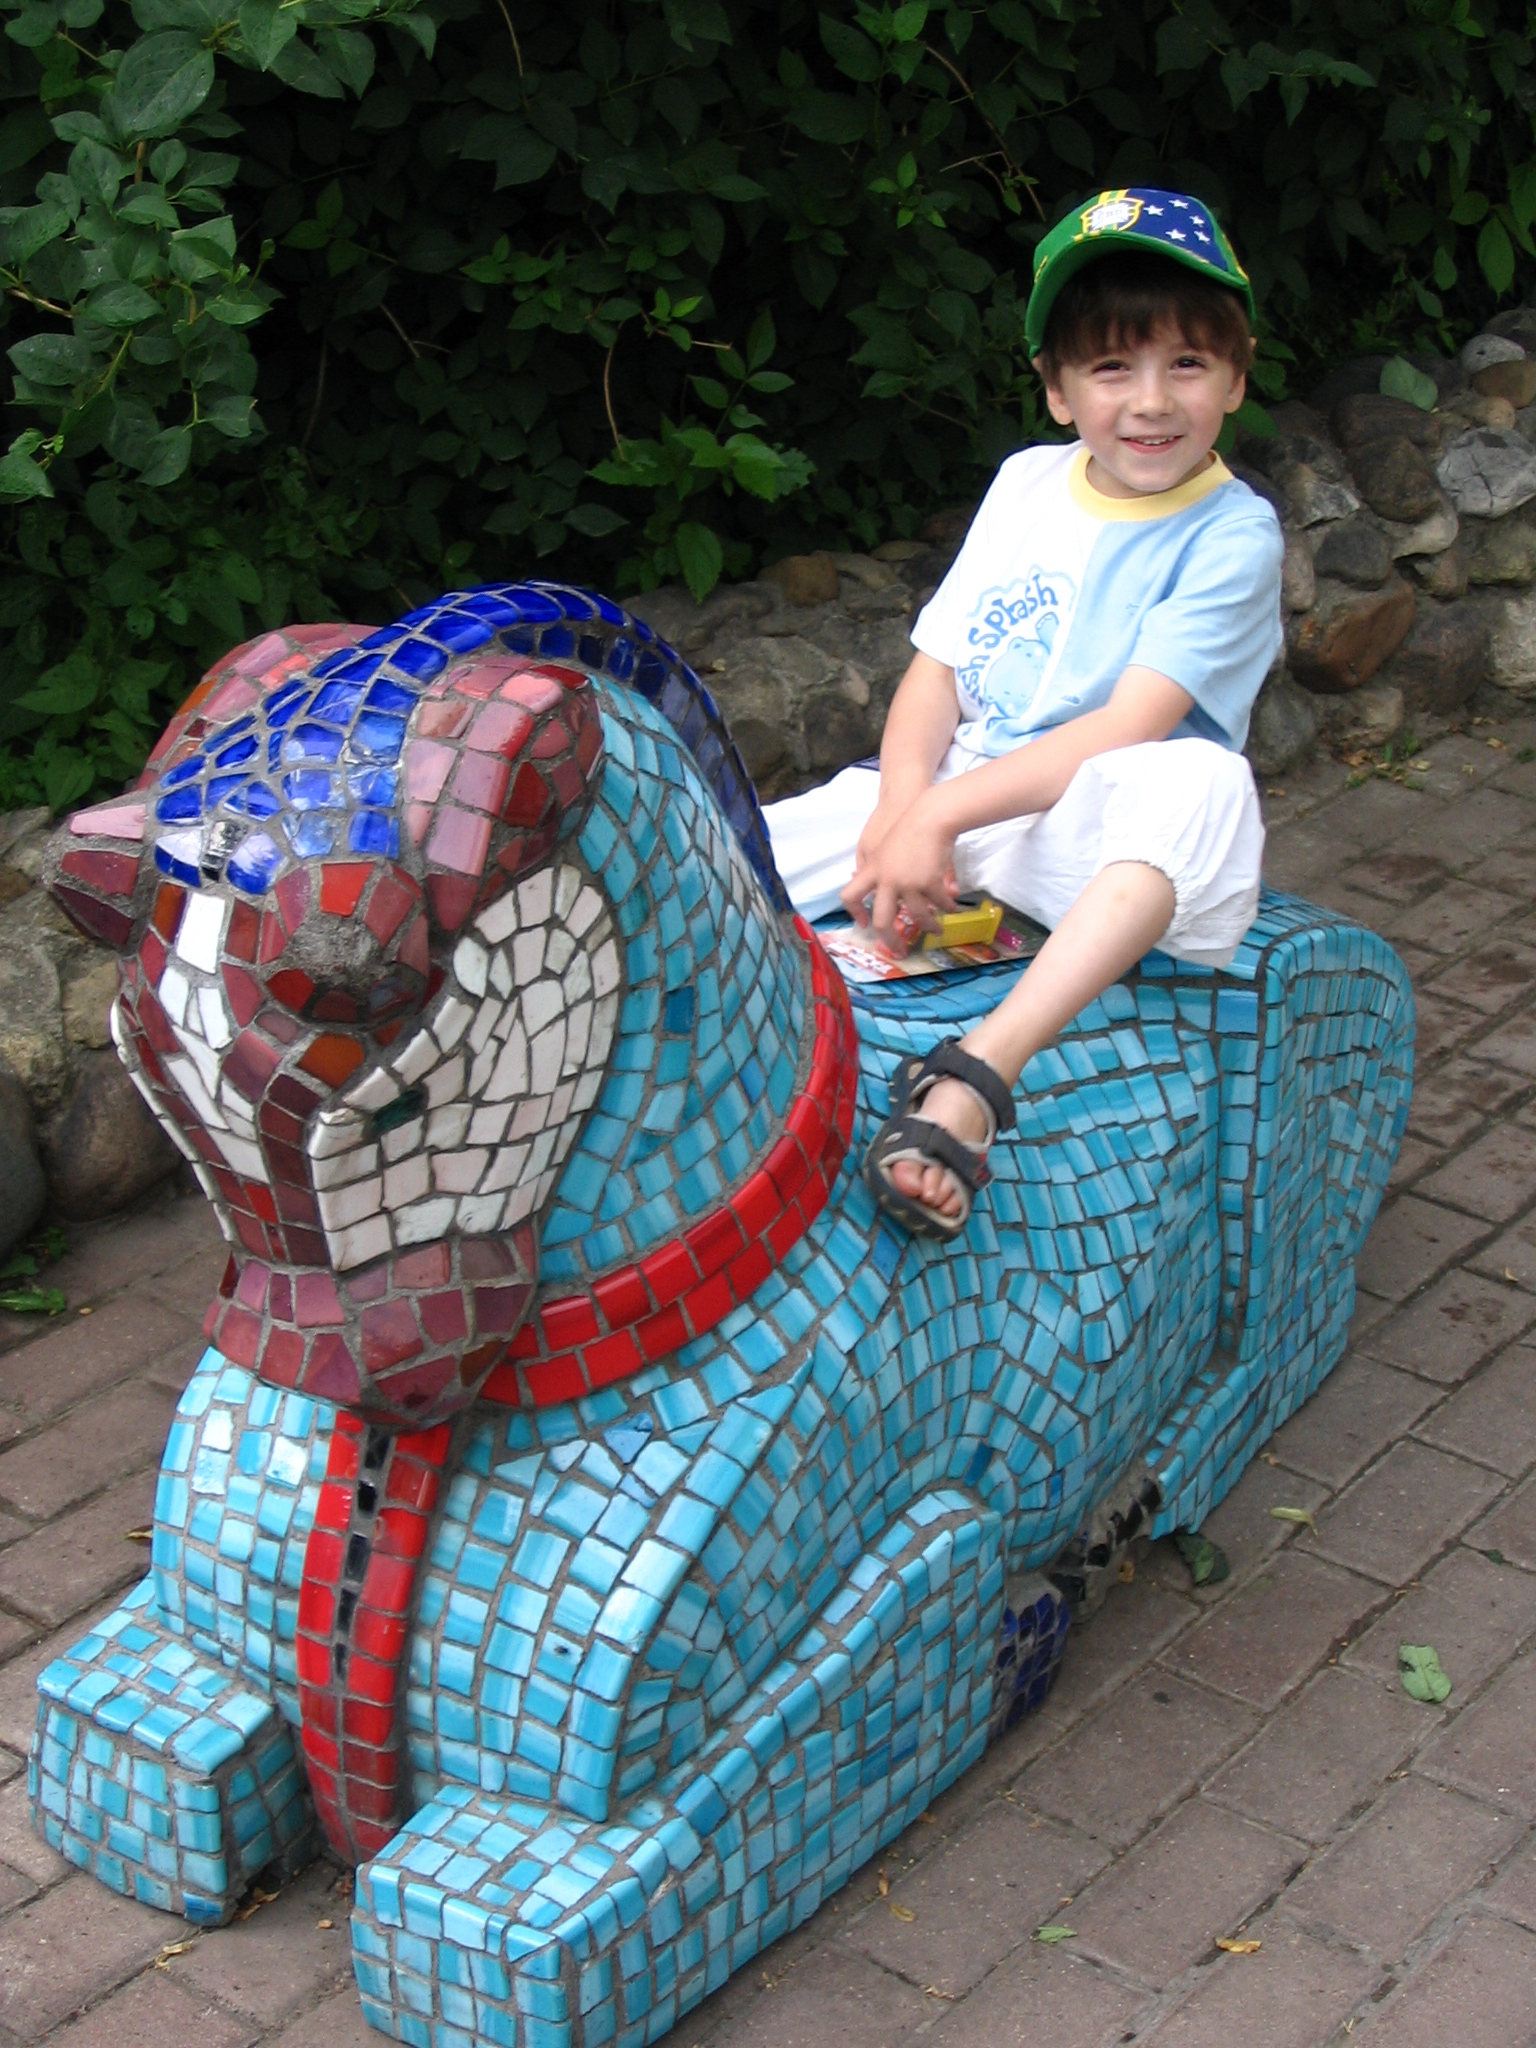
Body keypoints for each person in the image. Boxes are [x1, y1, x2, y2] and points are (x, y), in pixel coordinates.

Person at [763, 188, 1284, 1241]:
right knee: (727, 845)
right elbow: (936, 673)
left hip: (1090, 843)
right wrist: (901, 811)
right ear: (1055, 388)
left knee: (1208, 781)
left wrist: (937, 815)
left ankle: (975, 1075)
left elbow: (1126, 726)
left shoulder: (1235, 536)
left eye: (1187, 363)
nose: (1151, 401)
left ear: (1237, 375)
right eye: (1112, 367)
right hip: (961, 792)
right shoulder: (1026, 483)